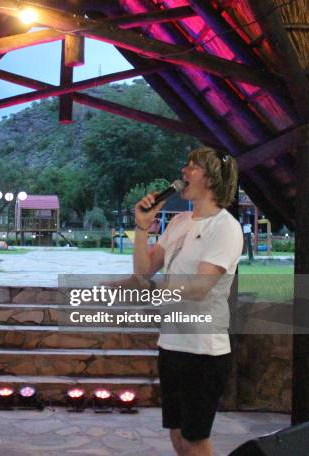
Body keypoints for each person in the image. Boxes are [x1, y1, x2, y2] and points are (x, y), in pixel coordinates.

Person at [132, 146, 242, 456]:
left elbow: (199, 287)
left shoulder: (225, 227)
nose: (183, 172)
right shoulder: (179, 221)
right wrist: (142, 226)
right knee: (178, 437)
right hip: (172, 345)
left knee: (196, 440)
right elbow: (143, 271)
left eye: (192, 167)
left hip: (203, 352)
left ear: (210, 179)